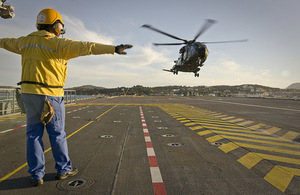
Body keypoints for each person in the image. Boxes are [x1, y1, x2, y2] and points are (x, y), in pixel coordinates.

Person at [0, 8, 132, 187]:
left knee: (33, 134)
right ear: (55, 25)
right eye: (60, 26)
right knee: (57, 134)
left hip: (28, 94)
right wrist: (113, 49)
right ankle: (63, 169)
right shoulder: (58, 44)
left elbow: (5, 42)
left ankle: (36, 174)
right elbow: (88, 47)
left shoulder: (24, 42)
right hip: (50, 95)